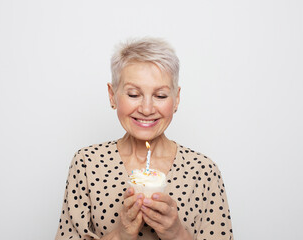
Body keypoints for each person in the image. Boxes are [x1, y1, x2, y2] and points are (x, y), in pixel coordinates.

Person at [55, 38, 234, 240]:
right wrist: (121, 235)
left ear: (177, 99)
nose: (147, 109)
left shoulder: (203, 171)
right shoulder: (87, 163)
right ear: (112, 95)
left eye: (160, 96)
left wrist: (176, 235)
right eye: (133, 94)